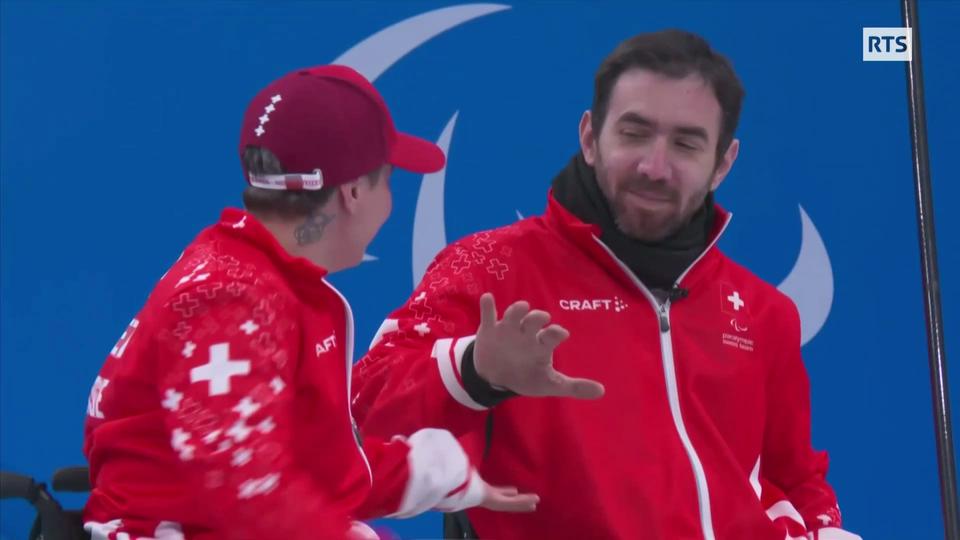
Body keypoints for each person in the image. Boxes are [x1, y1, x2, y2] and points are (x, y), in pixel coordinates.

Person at [351, 30, 861, 540]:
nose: (654, 167)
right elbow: (365, 404)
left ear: (723, 163)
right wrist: (474, 370)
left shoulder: (762, 310)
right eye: (634, 133)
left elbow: (793, 477)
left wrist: (825, 531)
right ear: (591, 138)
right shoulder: (494, 268)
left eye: (686, 144)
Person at [81, 65, 542, 540]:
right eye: (388, 181)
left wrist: (448, 476)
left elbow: (318, 468)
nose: (390, 202)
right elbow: (245, 489)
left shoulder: (267, 284)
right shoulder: (229, 300)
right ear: (354, 193)